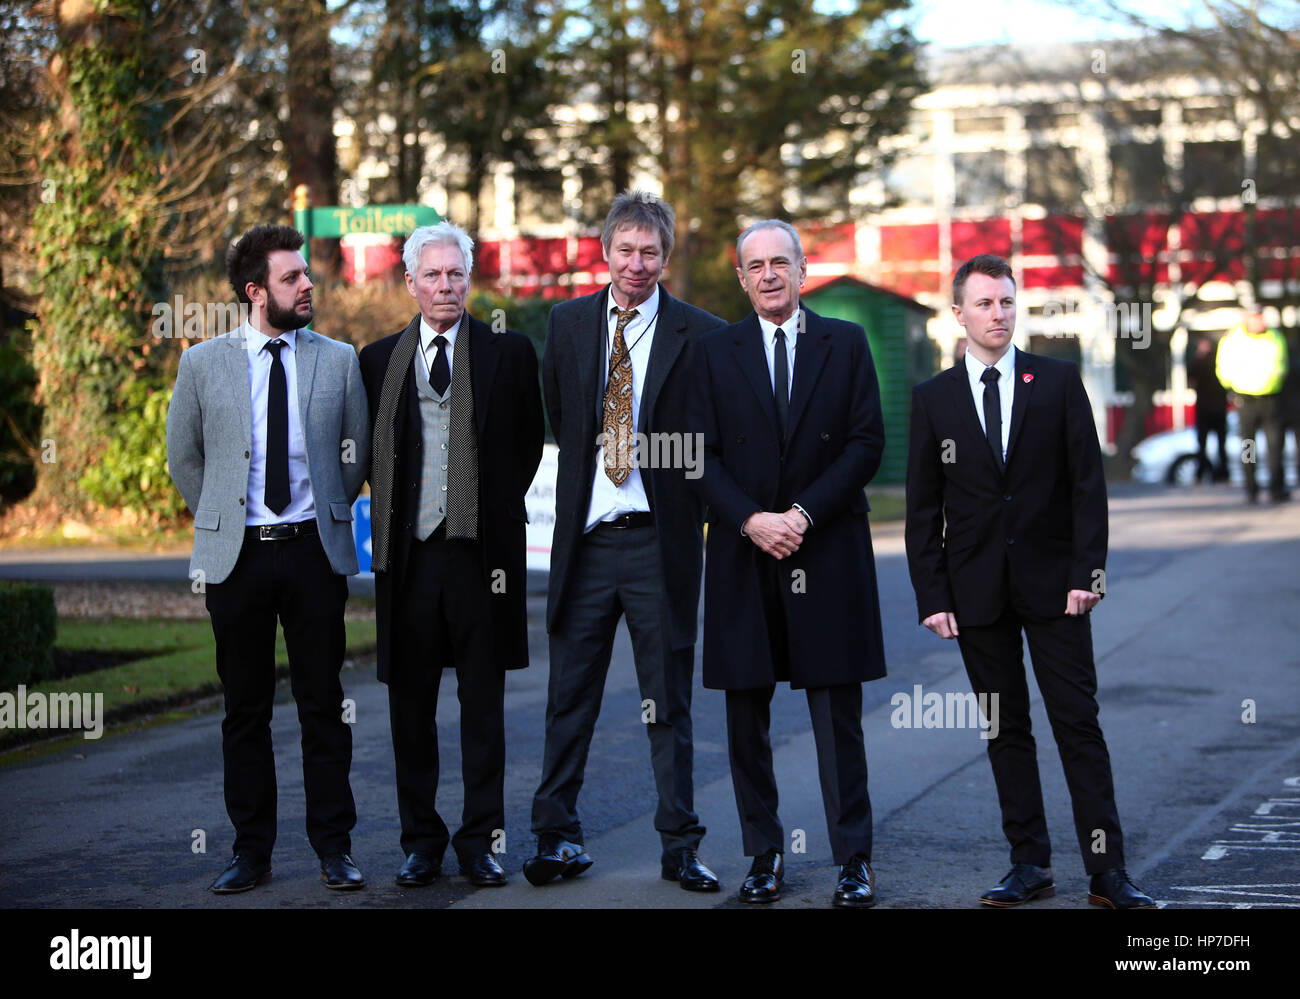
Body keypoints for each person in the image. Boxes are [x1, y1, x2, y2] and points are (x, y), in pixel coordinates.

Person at [904, 253, 1153, 909]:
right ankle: (1029, 862)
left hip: (1057, 589)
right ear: (957, 313)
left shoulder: (1059, 381)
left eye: (1007, 301)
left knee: (1078, 723)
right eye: (984, 303)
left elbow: (1087, 490)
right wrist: (932, 595)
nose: (998, 313)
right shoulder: (934, 400)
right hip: (974, 592)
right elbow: (923, 507)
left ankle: (1108, 871)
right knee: (1003, 728)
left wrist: (1088, 575)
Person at [524, 191, 725, 890]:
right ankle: (555, 837)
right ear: (604, 251)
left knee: (667, 702)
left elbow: (709, 442)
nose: (637, 264)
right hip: (584, 542)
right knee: (567, 695)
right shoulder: (569, 322)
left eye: (650, 252)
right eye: (625, 250)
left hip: (658, 544)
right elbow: (563, 417)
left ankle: (679, 844)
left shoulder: (702, 333)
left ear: (666, 257)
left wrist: (658, 454)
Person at [687, 219, 887, 907]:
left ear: (804, 271)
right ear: (741, 278)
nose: (770, 274)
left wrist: (800, 515)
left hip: (825, 548)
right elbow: (697, 454)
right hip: (745, 553)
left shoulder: (847, 342)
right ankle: (763, 854)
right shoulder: (715, 352)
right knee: (747, 712)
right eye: (756, 265)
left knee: (838, 714)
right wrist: (749, 518)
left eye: (782, 262)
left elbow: (865, 444)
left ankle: (853, 859)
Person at [166, 224, 370, 893]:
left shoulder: (337, 359)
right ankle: (251, 852)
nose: (308, 284)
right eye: (292, 277)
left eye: (306, 274)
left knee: (323, 702)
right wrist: (224, 512)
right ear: (257, 292)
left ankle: (333, 847)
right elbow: (185, 458)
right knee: (244, 710)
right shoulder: (202, 364)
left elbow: (355, 452)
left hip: (314, 550)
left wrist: (327, 512)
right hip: (238, 560)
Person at [359, 222, 543, 889]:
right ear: (410, 283)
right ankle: (421, 840)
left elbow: (525, 446)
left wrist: (482, 511)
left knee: (483, 707)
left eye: (456, 274)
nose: (446, 285)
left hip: (481, 558)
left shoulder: (509, 351)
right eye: (432, 275)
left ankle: (480, 840)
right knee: (410, 707)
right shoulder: (377, 360)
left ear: (470, 278)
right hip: (408, 560)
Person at [1216, 304, 1290, 503]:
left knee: (1275, 445)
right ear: (1247, 319)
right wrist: (1232, 389)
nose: (1260, 321)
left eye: (1261, 317)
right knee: (1249, 446)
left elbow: (1281, 365)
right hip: (1245, 399)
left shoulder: (1274, 337)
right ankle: (1251, 487)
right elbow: (1223, 368)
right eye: (1255, 317)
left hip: (1270, 399)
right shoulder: (1232, 339)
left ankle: (1276, 487)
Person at [1187, 334, 1228, 483]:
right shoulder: (1221, 361)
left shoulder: (1199, 361)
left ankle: (1201, 473)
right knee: (1221, 444)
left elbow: (1190, 378)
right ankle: (1223, 473)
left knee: (1202, 444)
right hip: (1218, 408)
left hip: (1204, 408)